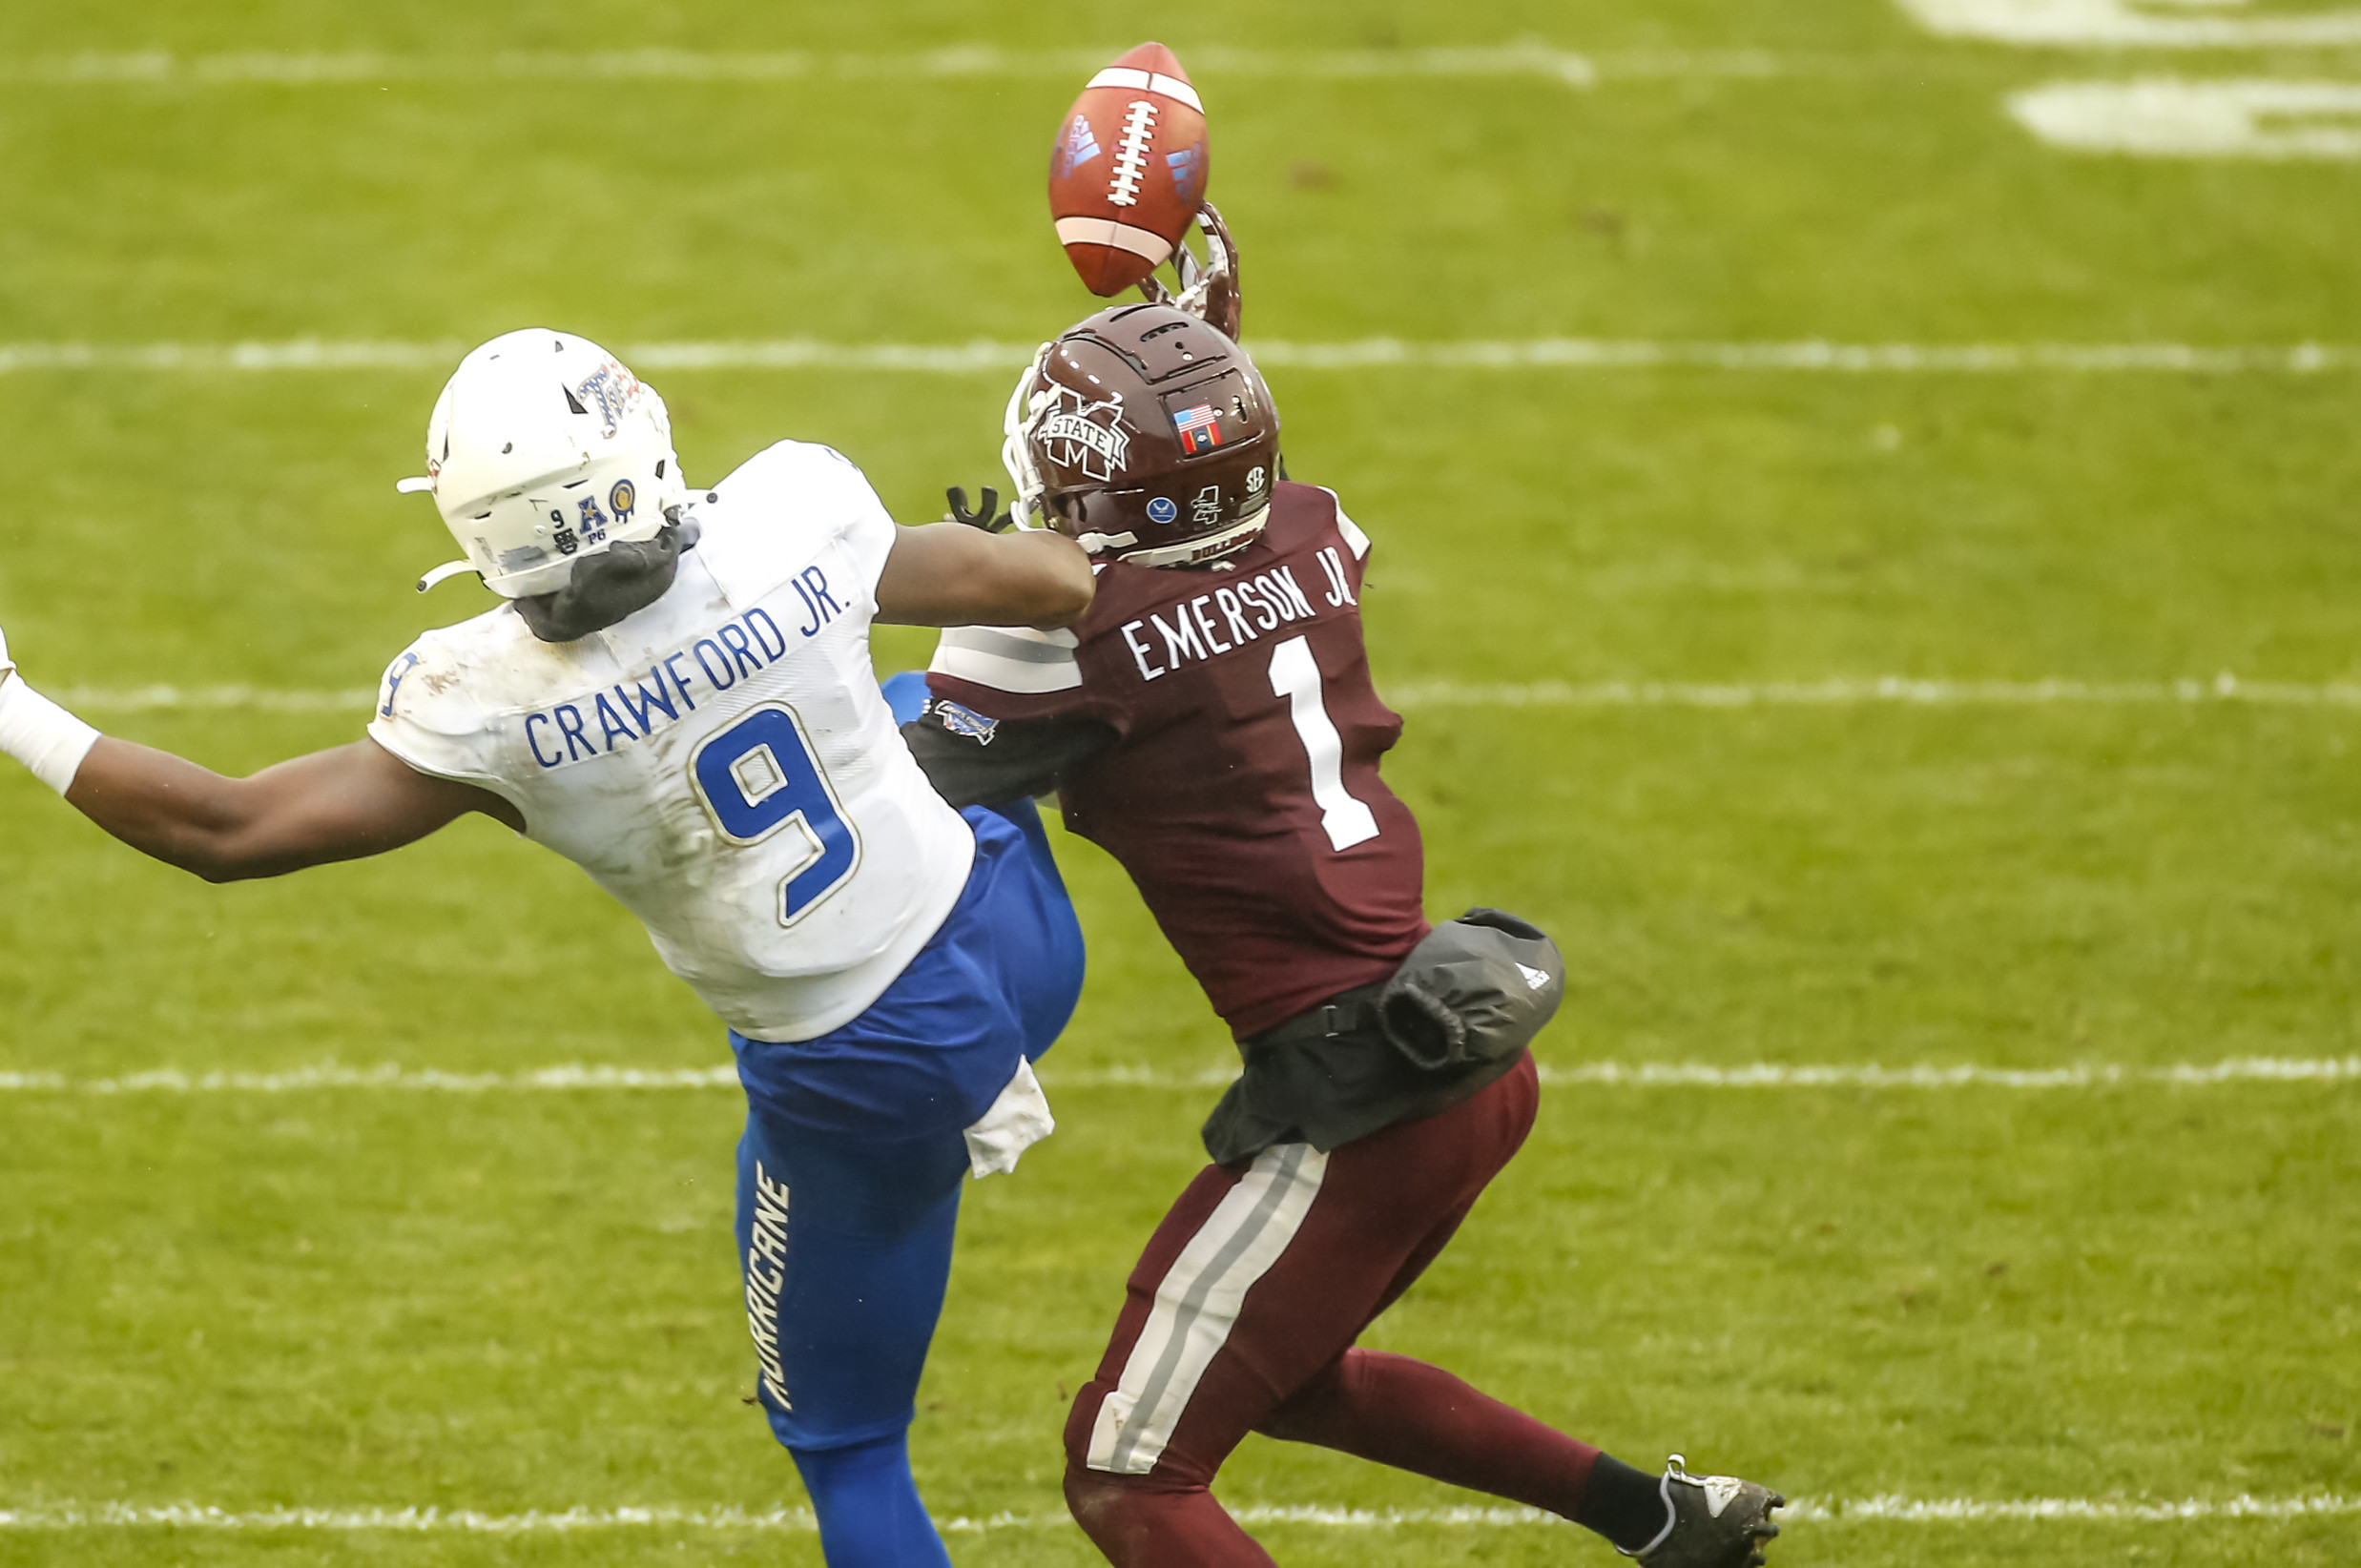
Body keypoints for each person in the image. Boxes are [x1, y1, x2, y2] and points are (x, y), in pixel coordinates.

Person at [0, 329, 1098, 1568]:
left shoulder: (490, 704)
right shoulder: (794, 509)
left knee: (846, 1449)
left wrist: (6, 703)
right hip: (1013, 943)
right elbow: (1053, 586)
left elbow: (224, 829)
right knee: (922, 705)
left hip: (856, 1077)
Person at [895, 225, 1785, 1568]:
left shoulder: (1089, 646)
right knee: (1287, 1374)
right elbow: (1205, 518)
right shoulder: (1314, 525)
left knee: (1129, 1473)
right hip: (1464, 1050)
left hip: (1359, 1096)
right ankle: (1664, 1519)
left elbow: (885, 777)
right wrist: (1202, 361)